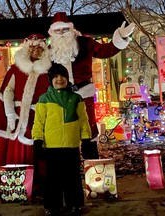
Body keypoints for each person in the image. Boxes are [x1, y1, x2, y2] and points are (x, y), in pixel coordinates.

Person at [48, 12, 135, 159]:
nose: (61, 33)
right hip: (61, 97)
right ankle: (70, 165)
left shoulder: (84, 43)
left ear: (70, 29)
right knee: (66, 129)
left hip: (83, 94)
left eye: (64, 29)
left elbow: (106, 51)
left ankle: (92, 165)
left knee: (88, 128)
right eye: (58, 30)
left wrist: (121, 37)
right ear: (52, 32)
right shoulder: (50, 50)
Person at [0, 33, 52, 197]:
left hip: (37, 116)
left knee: (38, 148)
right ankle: (12, 187)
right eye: (33, 47)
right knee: (15, 149)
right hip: (16, 116)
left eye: (39, 47)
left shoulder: (48, 70)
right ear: (27, 48)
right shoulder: (16, 68)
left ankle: (37, 184)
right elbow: (7, 92)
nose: (35, 50)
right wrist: (10, 114)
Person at [32, 63, 91, 216]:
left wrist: (85, 140)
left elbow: (84, 121)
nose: (59, 79)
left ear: (67, 78)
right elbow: (38, 123)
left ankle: (75, 204)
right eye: (56, 76)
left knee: (73, 178)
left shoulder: (76, 98)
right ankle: (52, 206)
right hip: (52, 148)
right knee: (52, 180)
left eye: (62, 76)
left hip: (71, 147)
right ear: (50, 80)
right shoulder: (44, 99)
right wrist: (38, 142)